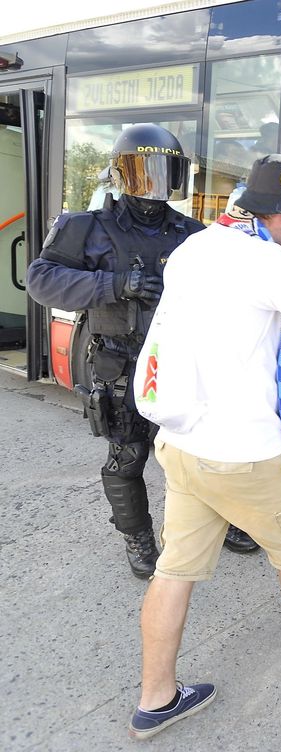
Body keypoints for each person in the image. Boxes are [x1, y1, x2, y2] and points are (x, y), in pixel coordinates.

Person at [127, 154, 281, 740]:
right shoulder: (266, 262)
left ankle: (156, 698)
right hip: (247, 451)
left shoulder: (200, 244)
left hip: (186, 442)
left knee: (175, 569)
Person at [26, 124, 258, 579]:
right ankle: (138, 537)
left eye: (163, 172)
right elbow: (41, 280)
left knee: (199, 450)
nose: (152, 186)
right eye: (141, 173)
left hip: (182, 363)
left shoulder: (193, 232)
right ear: (119, 174)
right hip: (120, 361)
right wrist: (113, 285)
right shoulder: (86, 227)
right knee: (128, 454)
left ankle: (220, 520)